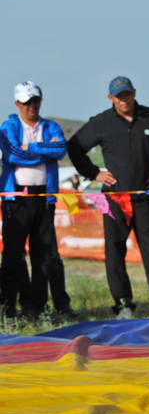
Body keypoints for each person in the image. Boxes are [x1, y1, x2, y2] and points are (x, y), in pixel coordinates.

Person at [67, 76, 149, 318]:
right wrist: (94, 173)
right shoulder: (101, 123)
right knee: (115, 252)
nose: (124, 99)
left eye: (127, 94)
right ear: (111, 98)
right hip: (114, 200)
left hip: (146, 197)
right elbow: (74, 147)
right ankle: (123, 304)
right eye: (119, 96)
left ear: (134, 93)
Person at [0, 81, 74, 318]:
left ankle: (38, 305)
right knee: (13, 253)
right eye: (26, 102)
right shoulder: (9, 126)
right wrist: (42, 150)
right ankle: (9, 306)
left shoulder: (51, 126)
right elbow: (12, 154)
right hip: (16, 197)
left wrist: (29, 147)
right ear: (17, 103)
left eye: (35, 101)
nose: (32, 106)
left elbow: (60, 149)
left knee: (45, 253)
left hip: (44, 197)